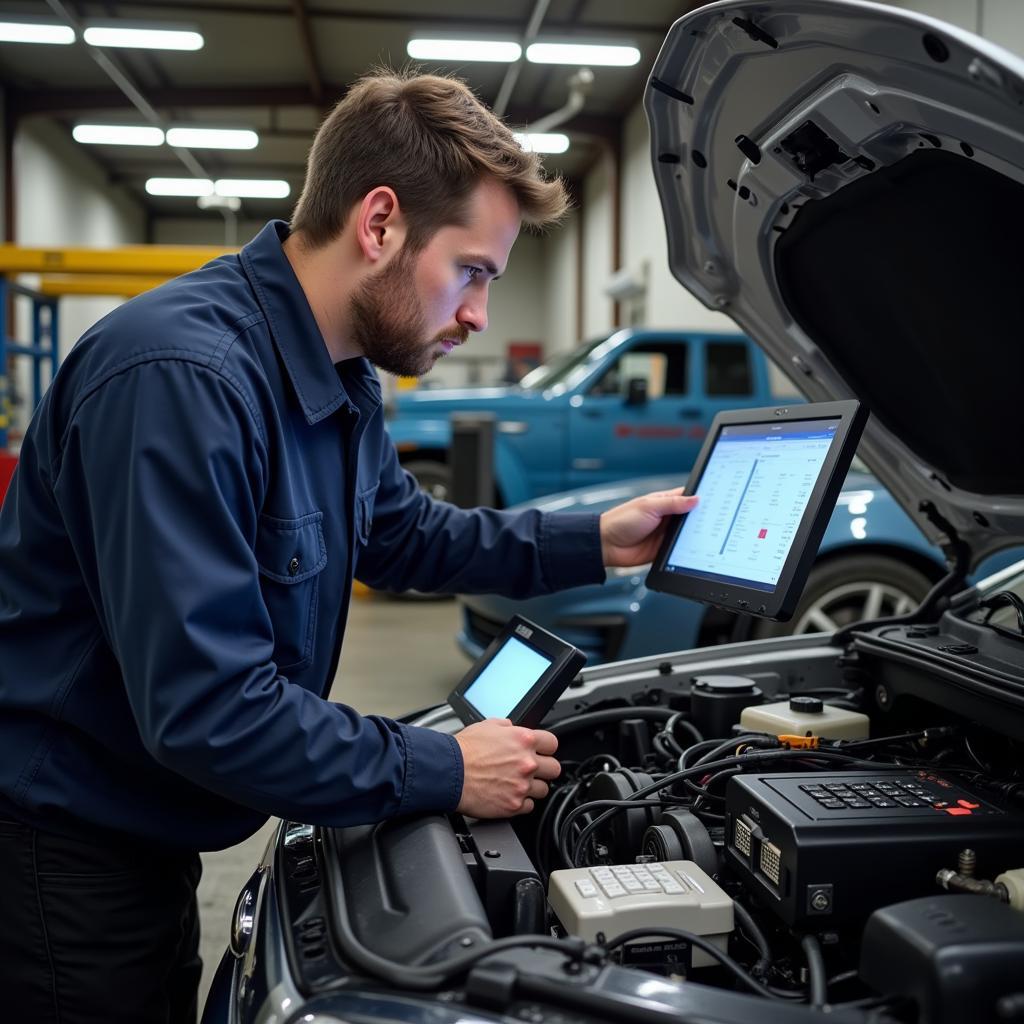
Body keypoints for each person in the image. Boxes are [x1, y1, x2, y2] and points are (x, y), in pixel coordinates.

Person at [0, 70, 696, 1022]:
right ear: (379, 224)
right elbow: (211, 709)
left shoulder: (339, 374)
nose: (479, 314)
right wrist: (448, 767)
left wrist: (598, 540)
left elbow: (402, 534)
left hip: (144, 828)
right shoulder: (180, 380)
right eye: (474, 271)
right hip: (58, 853)